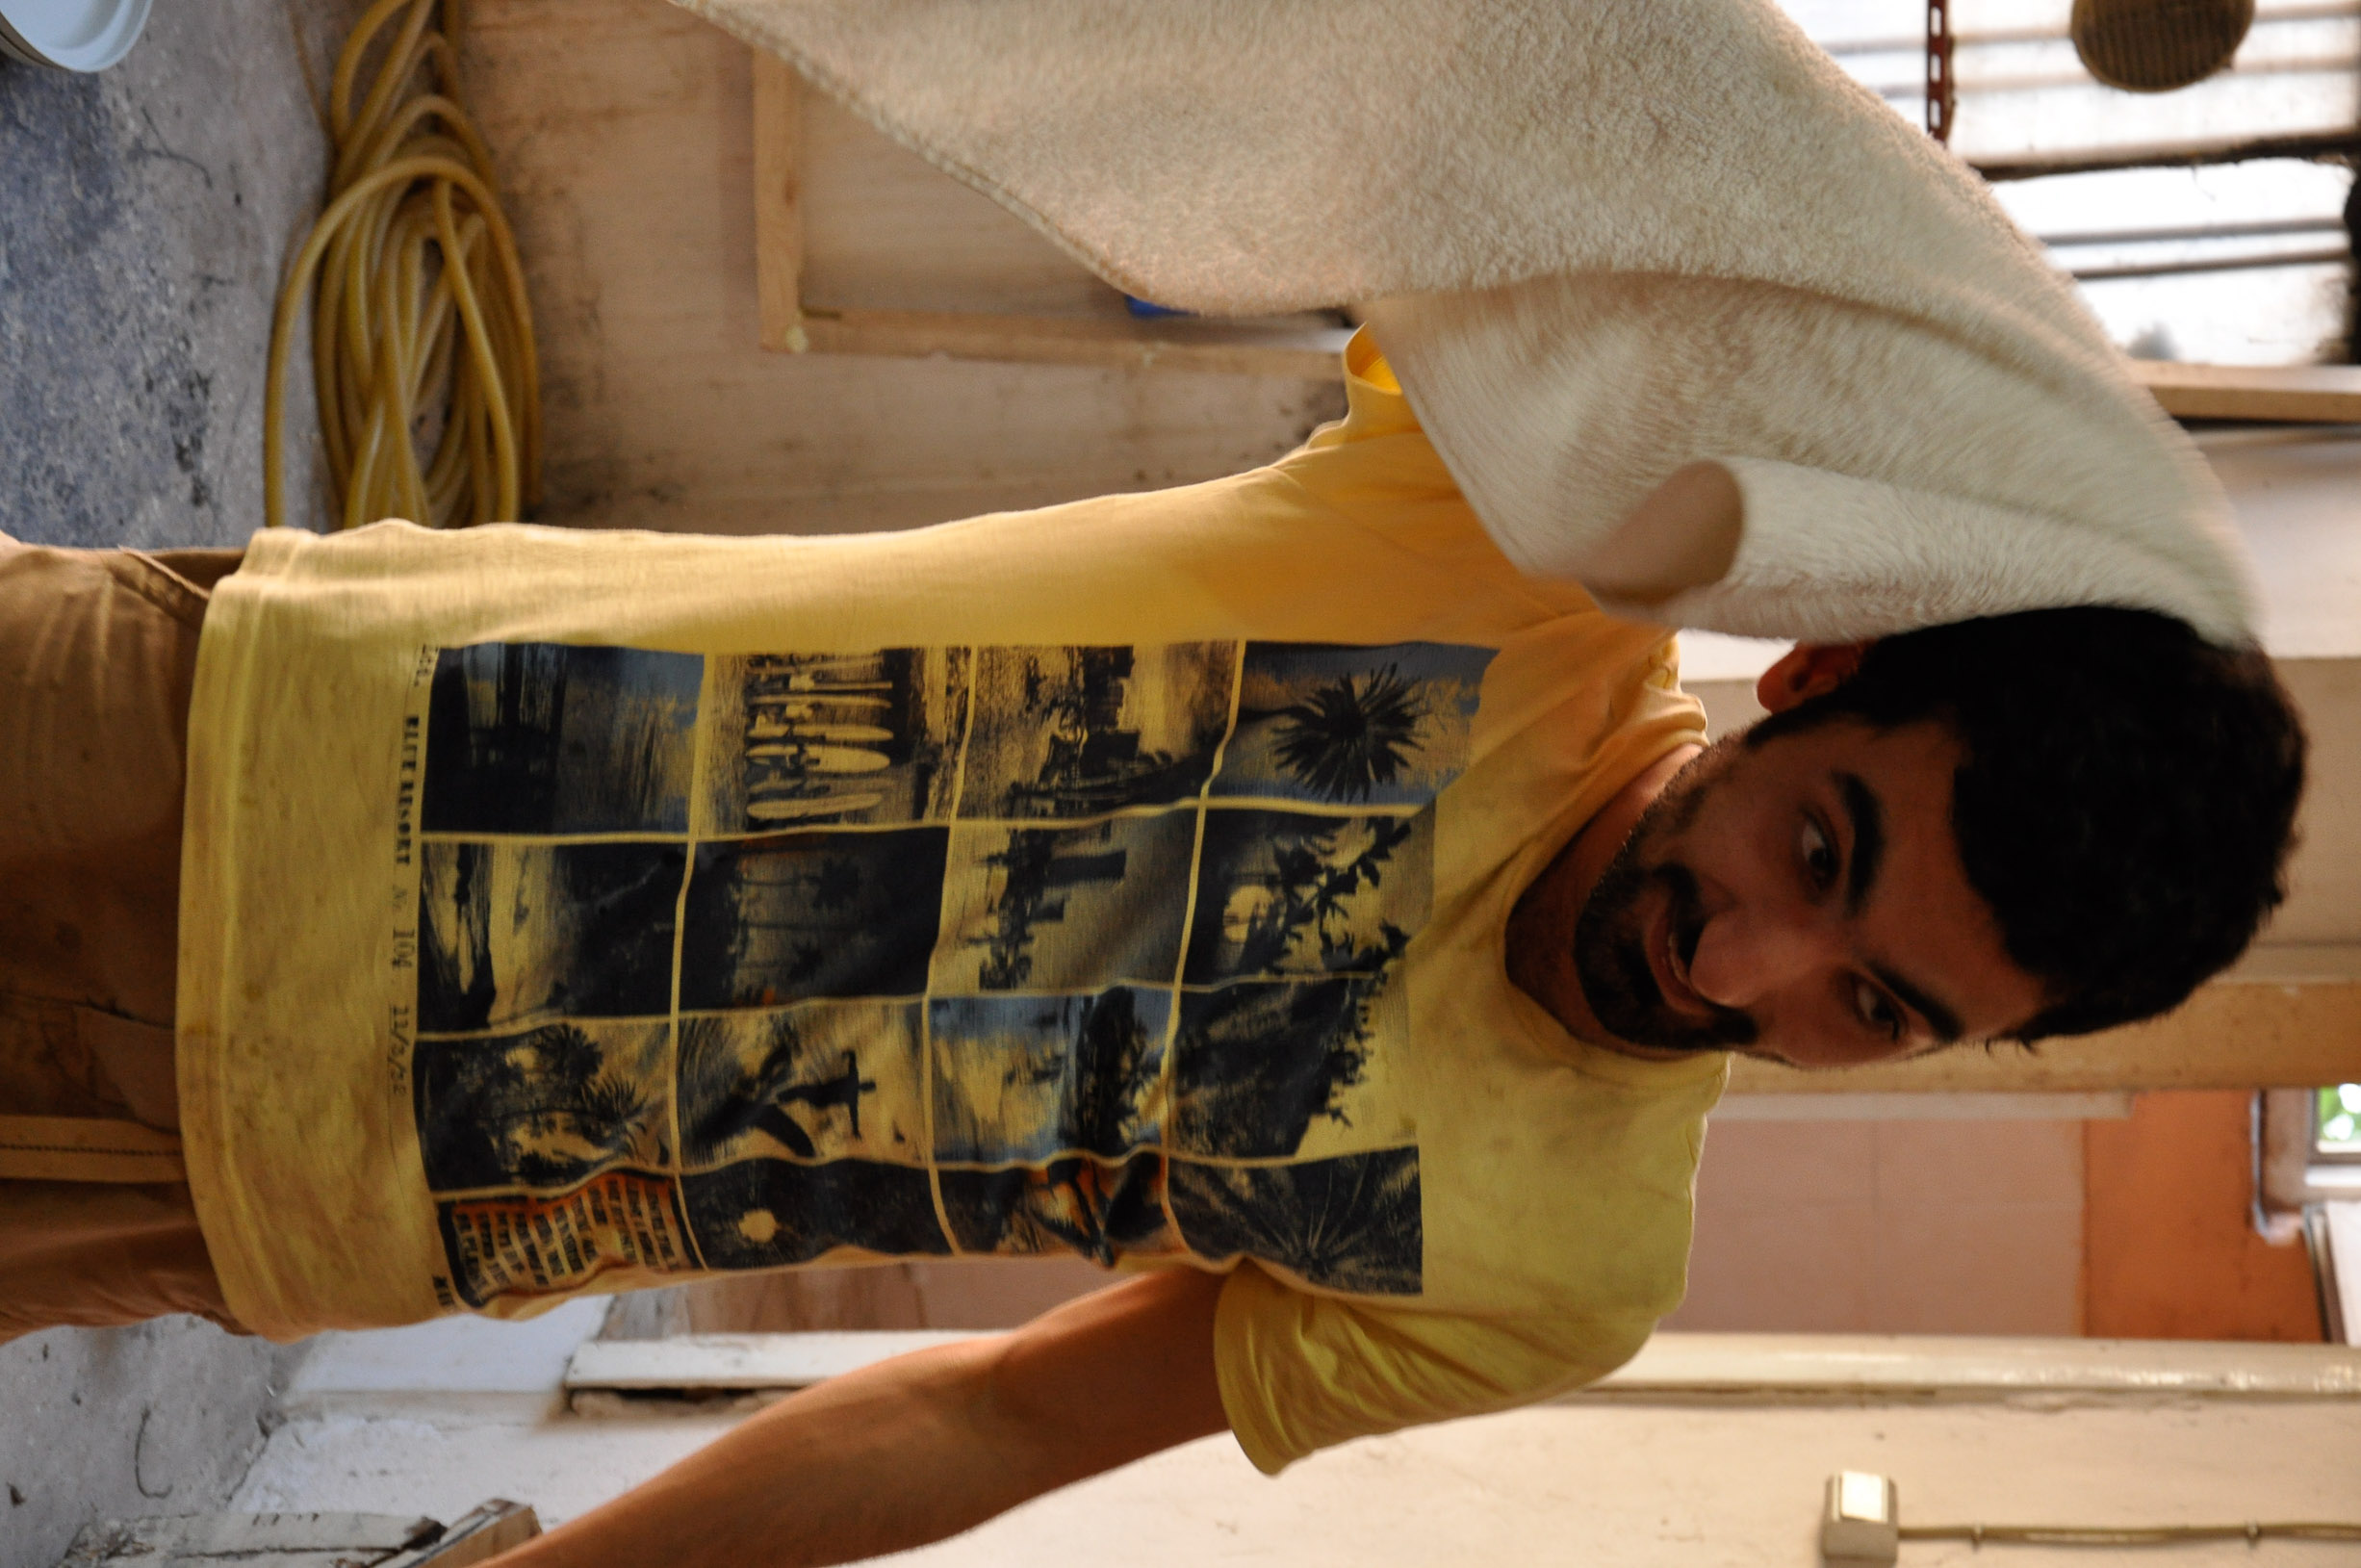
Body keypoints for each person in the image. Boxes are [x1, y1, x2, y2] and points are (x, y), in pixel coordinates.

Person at [0, 329, 2305, 1566]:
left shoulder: (1565, 1263)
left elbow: (987, 1413)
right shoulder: (1516, 548)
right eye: (1820, 846)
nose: (1745, 966)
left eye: (1871, 1004)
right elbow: (1562, 102)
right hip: (225, 736)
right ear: (1814, 669)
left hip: (279, 1180)